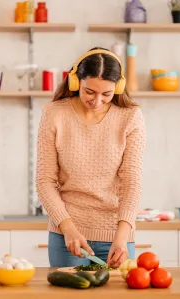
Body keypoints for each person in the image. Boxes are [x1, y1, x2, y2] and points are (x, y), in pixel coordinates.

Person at [35, 47, 146, 268]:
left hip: (118, 237)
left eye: (106, 94)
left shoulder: (131, 117)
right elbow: (45, 181)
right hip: (67, 238)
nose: (97, 101)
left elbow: (131, 183)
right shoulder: (54, 114)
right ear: (75, 82)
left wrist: (122, 237)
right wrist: (68, 229)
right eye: (89, 92)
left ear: (118, 88)